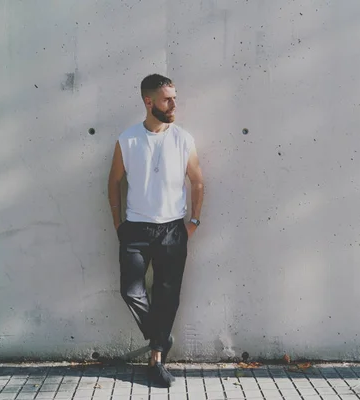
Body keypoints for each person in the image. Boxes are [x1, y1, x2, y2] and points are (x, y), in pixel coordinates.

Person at [107, 74, 204, 387]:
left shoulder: (183, 139)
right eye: (167, 99)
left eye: (175, 97)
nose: (174, 104)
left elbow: (198, 181)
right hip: (135, 228)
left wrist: (193, 222)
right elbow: (114, 183)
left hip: (173, 229)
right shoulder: (128, 139)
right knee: (131, 290)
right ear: (148, 102)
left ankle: (156, 359)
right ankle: (159, 335)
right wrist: (118, 223)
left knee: (167, 294)